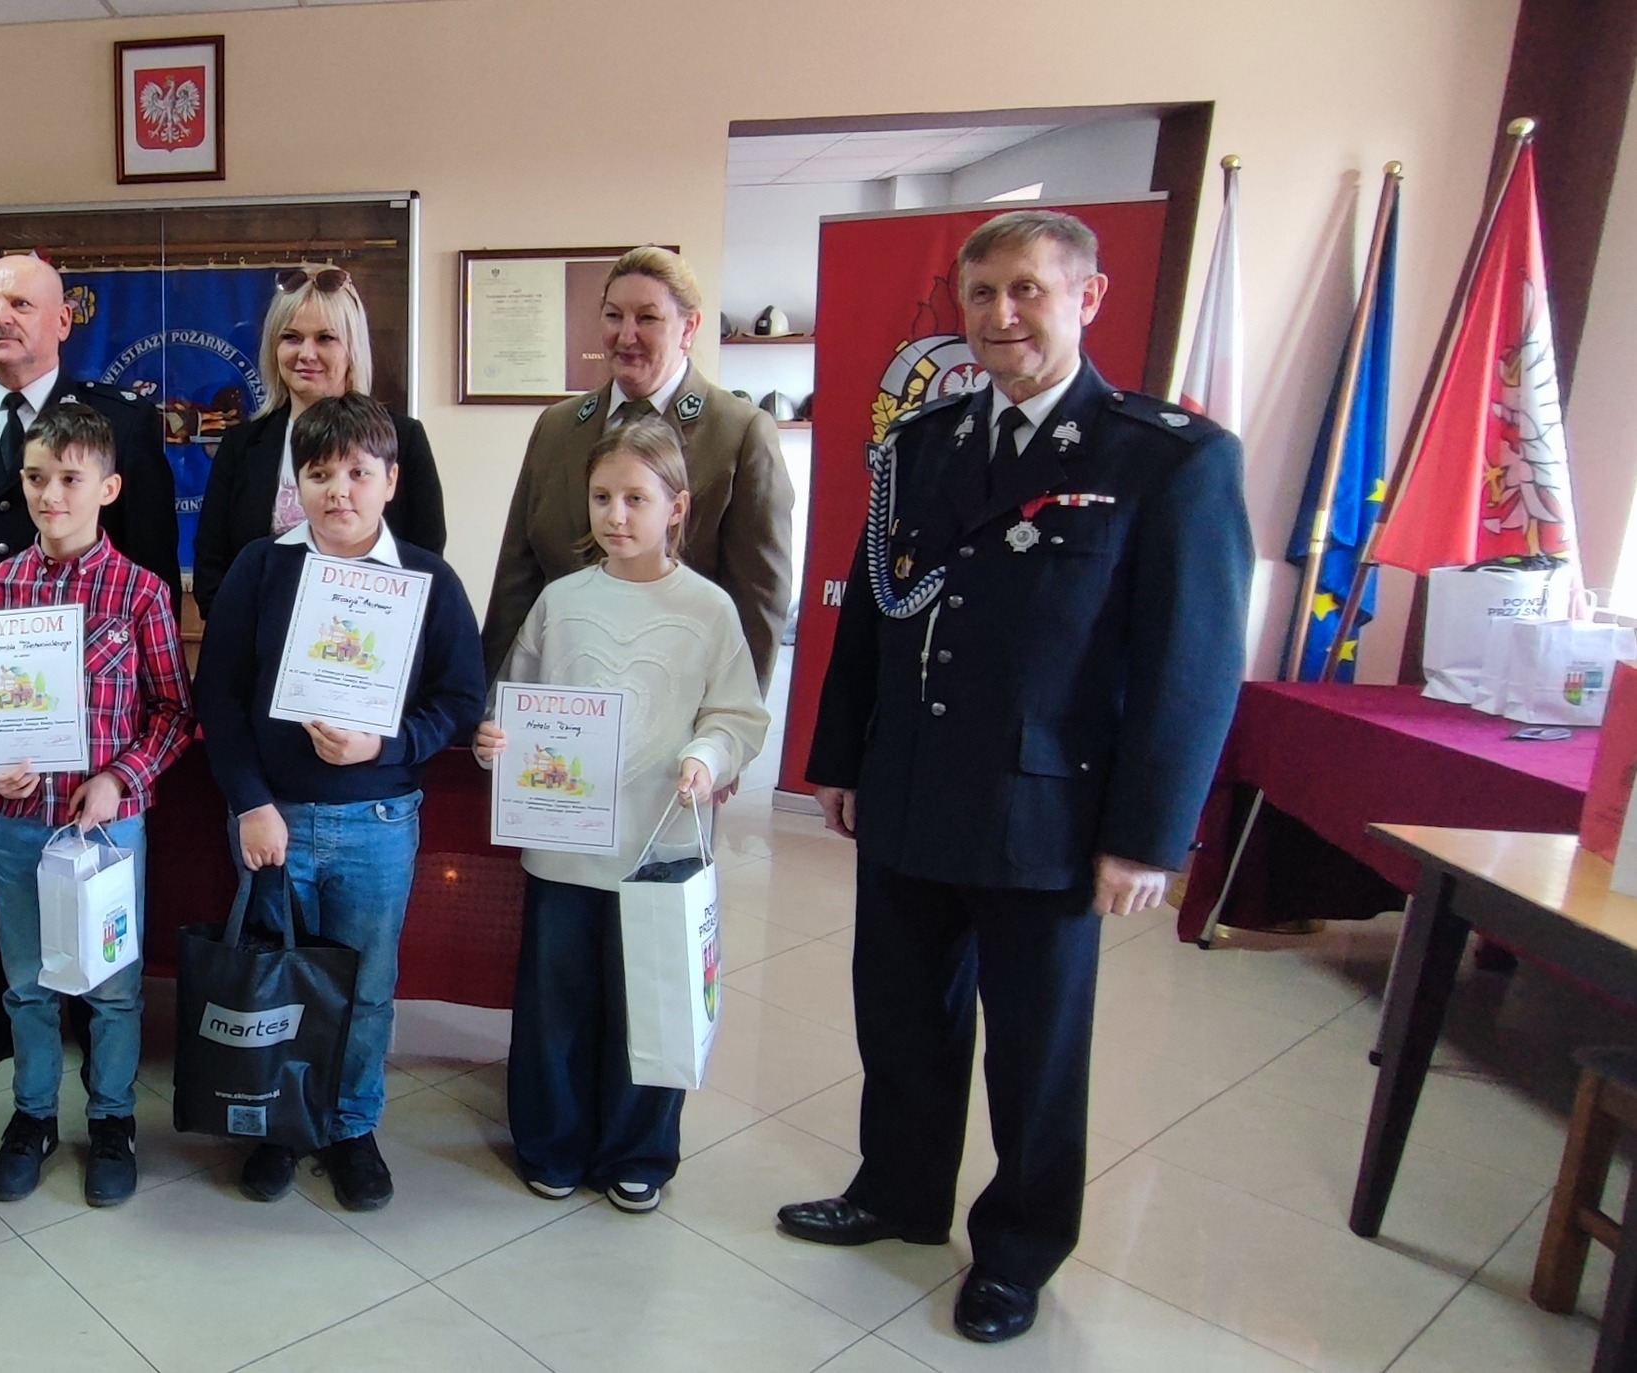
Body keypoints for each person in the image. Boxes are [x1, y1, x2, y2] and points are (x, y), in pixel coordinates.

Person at [781, 210, 1252, 1345]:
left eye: (1027, 290)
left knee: (1036, 1052)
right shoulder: (920, 445)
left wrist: (1147, 835)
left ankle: (1018, 1249)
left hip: (1047, 806)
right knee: (900, 1015)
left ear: (1087, 297)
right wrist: (837, 759)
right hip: (909, 787)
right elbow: (873, 617)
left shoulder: (1167, 457)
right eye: (980, 293)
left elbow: (1192, 664)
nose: (1000, 316)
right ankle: (899, 1191)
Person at [192, 394, 485, 1212]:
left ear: (390, 480)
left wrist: (384, 746)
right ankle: (277, 1121)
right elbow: (219, 696)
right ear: (298, 485)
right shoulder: (261, 567)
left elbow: (459, 698)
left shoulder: (426, 579)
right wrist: (250, 802)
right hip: (273, 820)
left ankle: (352, 1125)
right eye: (319, 474)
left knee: (364, 986)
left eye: (358, 472)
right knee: (274, 977)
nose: (339, 491)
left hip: (376, 821)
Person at [472, 416, 768, 1214]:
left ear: (676, 506)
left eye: (636, 498)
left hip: (656, 842)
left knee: (649, 995)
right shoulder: (561, 601)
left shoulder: (707, 609)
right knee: (555, 1002)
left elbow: (737, 715)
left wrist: (707, 755)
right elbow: (514, 697)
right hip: (564, 844)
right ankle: (551, 1141)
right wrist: (495, 738)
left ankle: (638, 1149)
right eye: (601, 497)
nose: (615, 514)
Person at [0, 251, 178, 1084]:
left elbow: (150, 562)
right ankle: (2, 1014)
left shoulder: (118, 421)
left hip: (98, 726)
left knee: (96, 903)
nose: (1, 316)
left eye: (21, 303)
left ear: (62, 321)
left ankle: (97, 1043)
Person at [0, 402, 194, 1210]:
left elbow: (172, 712)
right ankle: (32, 1115)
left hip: (106, 831)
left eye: (69, 478)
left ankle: (111, 1119)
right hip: (19, 826)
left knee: (111, 989)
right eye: (35, 477)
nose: (50, 494)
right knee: (26, 983)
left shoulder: (139, 592)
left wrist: (121, 777)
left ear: (107, 487)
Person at [479, 246, 796, 690]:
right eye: (613, 316)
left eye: (647, 318)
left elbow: (759, 597)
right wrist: (490, 697)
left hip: (675, 697)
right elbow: (517, 578)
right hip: (563, 696)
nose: (626, 335)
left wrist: (731, 717)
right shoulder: (557, 427)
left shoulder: (739, 433)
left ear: (689, 327)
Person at [191, 265, 446, 618]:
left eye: (325, 338)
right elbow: (211, 569)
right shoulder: (240, 445)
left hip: (369, 639)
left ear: (352, 347)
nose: (306, 353)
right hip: (260, 641)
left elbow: (425, 562)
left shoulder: (405, 439)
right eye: (292, 337)